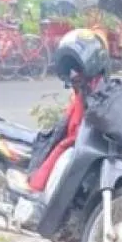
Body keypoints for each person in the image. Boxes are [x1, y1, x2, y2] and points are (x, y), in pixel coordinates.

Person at [28, 30, 109, 194]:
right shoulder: (84, 91)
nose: (74, 76)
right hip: (74, 142)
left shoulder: (98, 88)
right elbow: (73, 126)